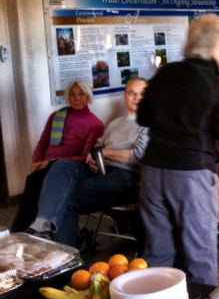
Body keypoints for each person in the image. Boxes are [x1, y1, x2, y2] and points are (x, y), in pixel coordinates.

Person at [137, 15, 219, 286]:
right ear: (214, 47)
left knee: (157, 253)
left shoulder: (164, 74)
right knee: (200, 256)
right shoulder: (213, 84)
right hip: (191, 176)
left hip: (152, 173)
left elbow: (143, 117)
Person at [24, 79, 149, 246]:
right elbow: (97, 146)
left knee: (64, 198)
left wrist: (105, 153)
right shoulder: (115, 123)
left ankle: (66, 258)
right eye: (132, 92)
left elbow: (138, 156)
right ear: (125, 95)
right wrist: (93, 158)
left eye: (142, 93)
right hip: (101, 169)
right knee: (61, 166)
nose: (137, 97)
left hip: (126, 177)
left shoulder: (150, 123)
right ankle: (42, 225)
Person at [12, 81, 104, 233]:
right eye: (72, 94)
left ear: (88, 97)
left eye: (81, 94)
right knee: (35, 182)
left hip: (70, 167)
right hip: (47, 165)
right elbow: (43, 143)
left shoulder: (95, 124)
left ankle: (22, 230)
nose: (77, 98)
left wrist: (52, 162)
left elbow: (85, 157)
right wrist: (36, 161)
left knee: (35, 183)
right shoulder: (57, 116)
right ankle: (28, 230)